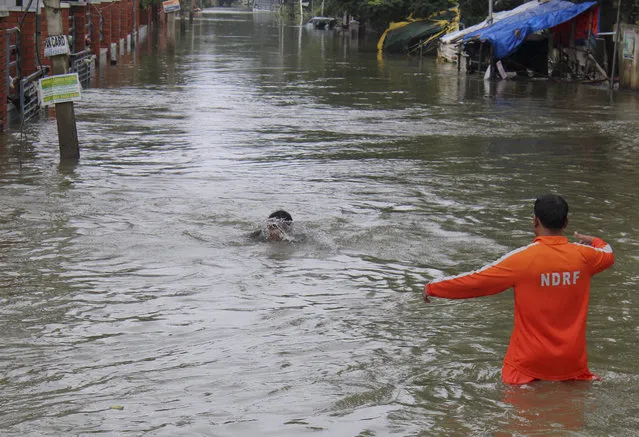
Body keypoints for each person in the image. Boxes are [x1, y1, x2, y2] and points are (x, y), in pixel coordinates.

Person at [423, 194, 615, 385]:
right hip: (571, 364)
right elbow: (608, 254)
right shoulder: (585, 257)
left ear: (535, 221)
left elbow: (476, 281)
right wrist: (595, 240)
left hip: (527, 364)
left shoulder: (522, 259)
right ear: (566, 222)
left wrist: (433, 287)